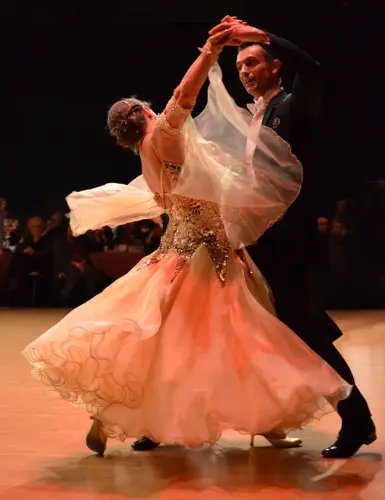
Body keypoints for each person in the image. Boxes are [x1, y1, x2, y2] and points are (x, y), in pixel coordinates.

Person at [22, 23, 351, 457]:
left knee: (160, 346)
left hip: (172, 258)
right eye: (152, 110)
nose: (162, 111)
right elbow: (183, 98)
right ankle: (266, 422)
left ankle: (111, 417)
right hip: (207, 257)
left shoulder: (147, 156)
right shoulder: (163, 136)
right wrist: (210, 51)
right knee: (246, 341)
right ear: (144, 116)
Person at [208, 15, 375, 458]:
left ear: (275, 66)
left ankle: (356, 419)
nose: (244, 72)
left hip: (291, 242)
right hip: (260, 241)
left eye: (253, 62)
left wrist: (259, 35)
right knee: (271, 332)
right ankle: (275, 420)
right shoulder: (252, 118)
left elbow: (315, 69)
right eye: (239, 66)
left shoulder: (294, 104)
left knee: (306, 334)